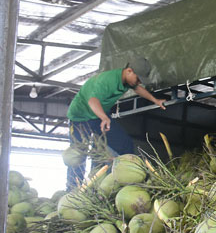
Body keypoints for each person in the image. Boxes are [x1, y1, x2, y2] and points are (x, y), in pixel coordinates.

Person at [66, 58, 166, 188]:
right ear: (129, 71)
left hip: (98, 115)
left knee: (124, 143)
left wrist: (155, 100)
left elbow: (138, 89)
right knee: (78, 155)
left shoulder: (127, 81)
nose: (139, 82)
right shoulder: (107, 81)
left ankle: (130, 179)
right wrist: (104, 117)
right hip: (80, 117)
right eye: (138, 78)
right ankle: (73, 190)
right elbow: (92, 101)